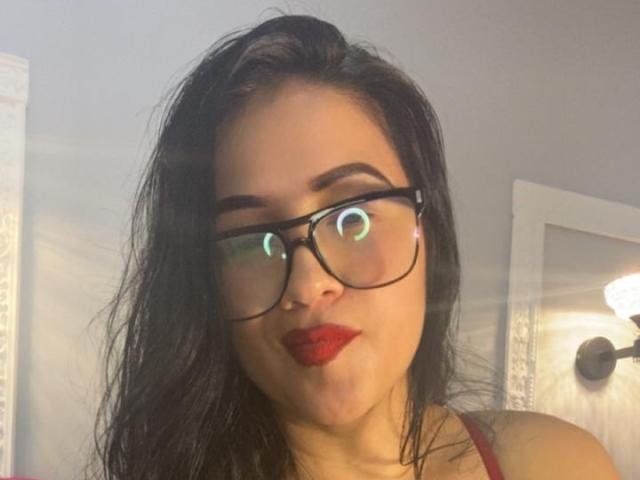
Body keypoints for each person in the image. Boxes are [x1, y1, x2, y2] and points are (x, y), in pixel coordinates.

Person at [85, 12, 621, 480]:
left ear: (428, 232)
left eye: (353, 219)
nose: (308, 285)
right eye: (253, 241)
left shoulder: (555, 463)